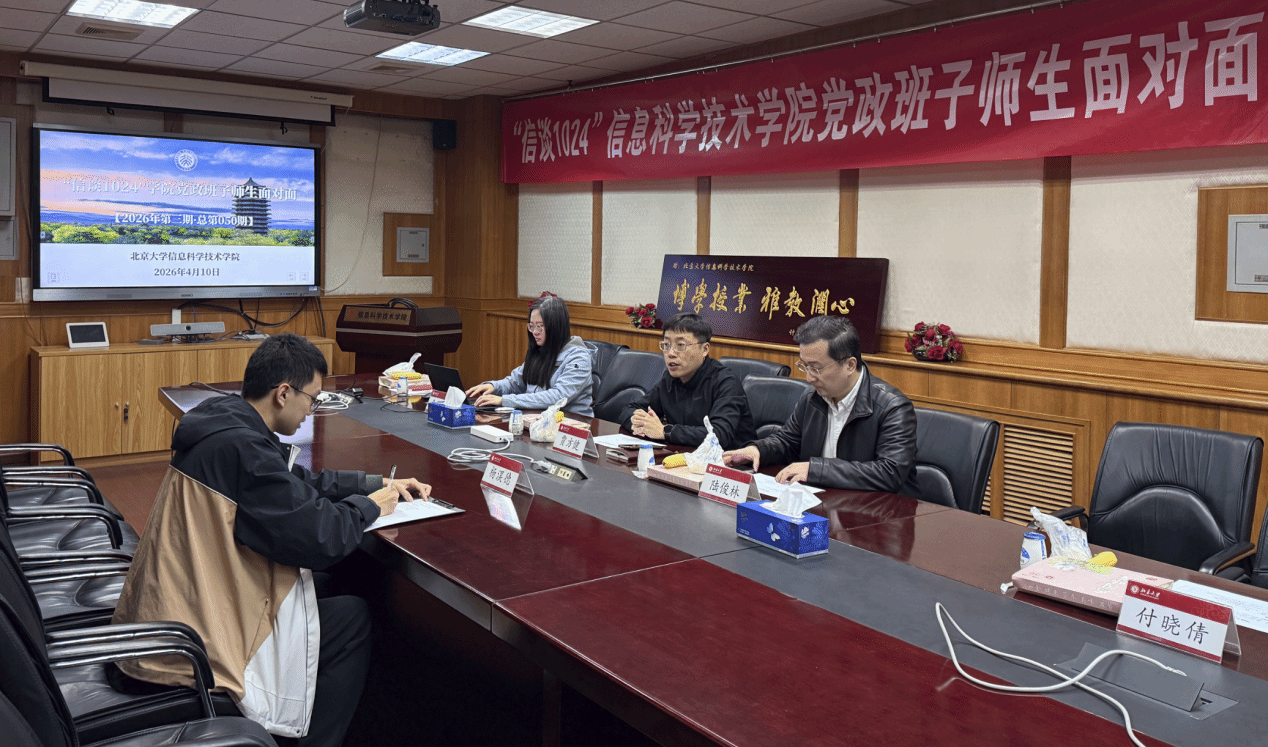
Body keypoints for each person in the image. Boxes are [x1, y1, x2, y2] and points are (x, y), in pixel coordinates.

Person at [111, 333, 430, 747]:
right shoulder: (245, 451)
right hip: (192, 643)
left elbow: (296, 482)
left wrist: (374, 484)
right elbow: (320, 538)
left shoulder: (225, 421)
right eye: (312, 399)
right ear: (283, 393)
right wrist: (370, 507)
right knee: (352, 617)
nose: (311, 410)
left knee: (326, 586)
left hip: (176, 607)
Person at [723, 315, 920, 497]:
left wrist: (815, 469)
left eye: (816, 368)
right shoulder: (812, 397)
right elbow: (788, 441)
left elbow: (889, 472)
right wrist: (758, 450)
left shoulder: (892, 407)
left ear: (850, 365)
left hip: (880, 512)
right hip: (823, 502)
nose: (809, 378)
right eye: (805, 366)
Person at [618, 313, 757, 450]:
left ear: (704, 349)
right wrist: (638, 423)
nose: (671, 353)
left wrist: (666, 431)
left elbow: (719, 435)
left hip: (732, 461)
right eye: (666, 345)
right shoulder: (670, 379)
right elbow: (629, 409)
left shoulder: (726, 382)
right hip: (685, 457)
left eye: (680, 345)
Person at [467, 294, 594, 416]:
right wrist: (493, 387)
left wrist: (504, 400)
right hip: (538, 420)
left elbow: (557, 396)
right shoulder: (541, 350)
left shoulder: (579, 358)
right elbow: (515, 382)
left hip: (573, 423)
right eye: (531, 326)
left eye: (540, 326)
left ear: (556, 326)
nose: (535, 332)